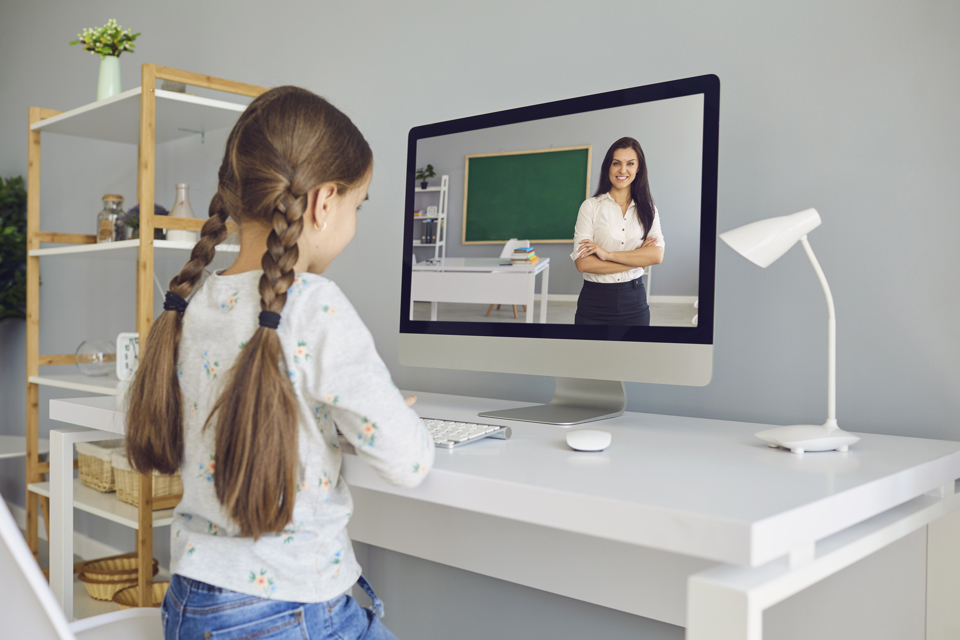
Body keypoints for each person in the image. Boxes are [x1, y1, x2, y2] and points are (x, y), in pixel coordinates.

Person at [124, 86, 434, 640]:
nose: (353, 223)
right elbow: (408, 462)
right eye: (356, 207)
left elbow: (267, 397)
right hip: (289, 610)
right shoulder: (317, 305)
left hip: (190, 604)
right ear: (323, 202)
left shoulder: (192, 304)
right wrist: (381, 410)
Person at [571, 137, 665, 326]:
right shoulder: (590, 206)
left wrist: (606, 255)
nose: (623, 170)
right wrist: (638, 261)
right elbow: (583, 263)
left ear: (638, 168)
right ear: (608, 167)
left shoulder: (648, 209)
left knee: (633, 355)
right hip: (593, 303)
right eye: (616, 163)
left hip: (634, 301)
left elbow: (656, 255)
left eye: (630, 163)